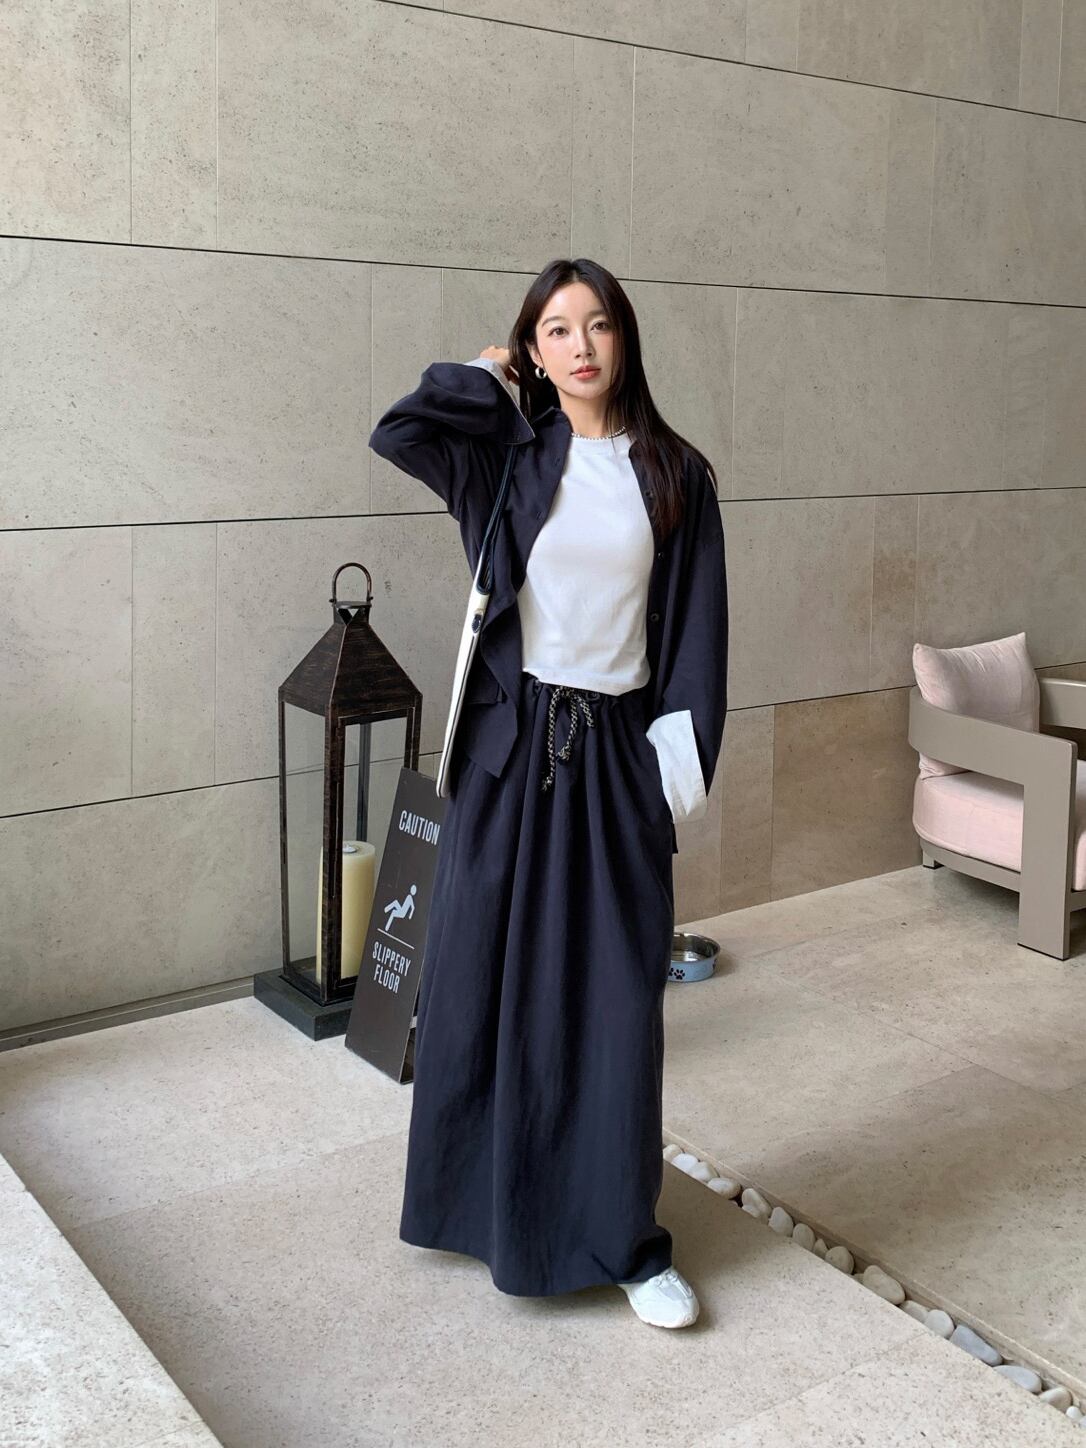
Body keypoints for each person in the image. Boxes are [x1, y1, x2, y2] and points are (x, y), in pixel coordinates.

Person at [368, 257, 728, 1329]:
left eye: (598, 323)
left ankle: (626, 1243)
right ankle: (479, 1209)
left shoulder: (675, 473)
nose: (581, 345)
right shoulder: (509, 457)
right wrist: (486, 378)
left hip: (612, 757)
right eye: (557, 329)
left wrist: (663, 783)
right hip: (508, 751)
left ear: (625, 337)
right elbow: (400, 431)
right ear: (534, 347)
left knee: (614, 1007)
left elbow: (698, 640)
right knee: (479, 986)